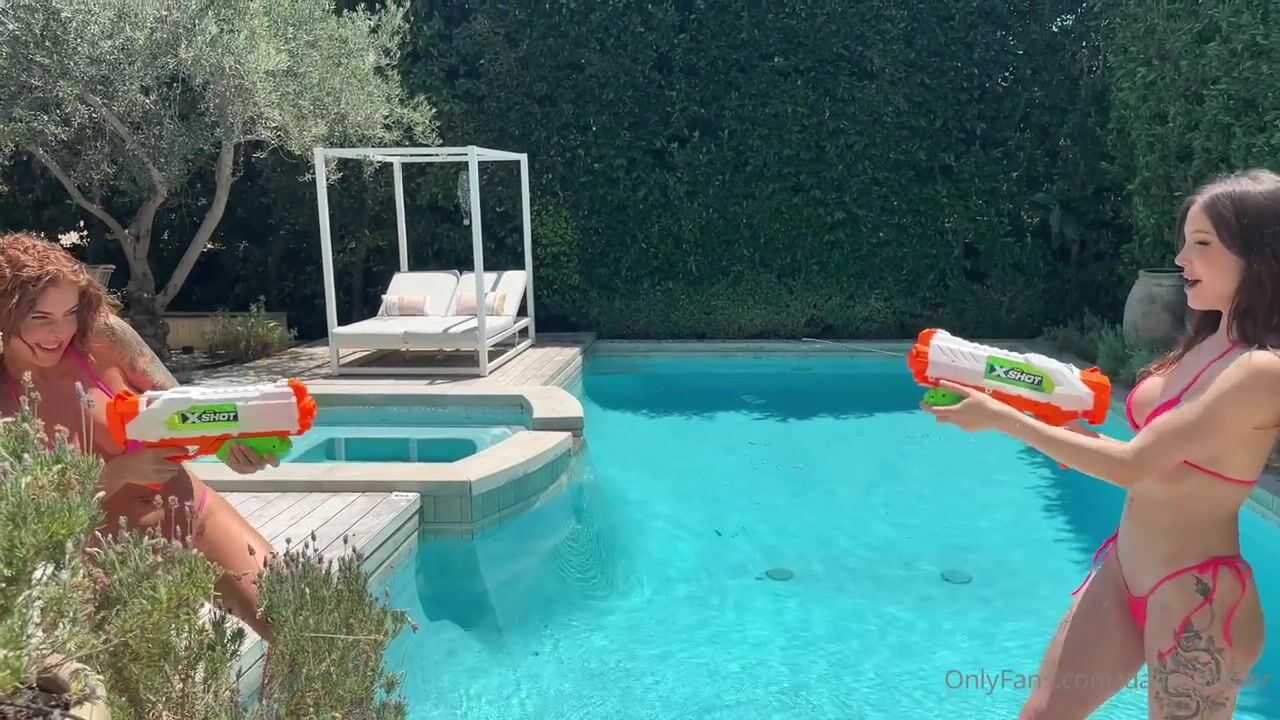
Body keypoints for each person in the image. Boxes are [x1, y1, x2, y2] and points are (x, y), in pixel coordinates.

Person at [924, 169, 1280, 719]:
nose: (1182, 259)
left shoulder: (1261, 370)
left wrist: (1002, 419)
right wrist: (1070, 436)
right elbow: (1155, 460)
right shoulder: (1206, 342)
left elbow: (1134, 465)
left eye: (1202, 244)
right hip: (1124, 570)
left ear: (1257, 256)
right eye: (1184, 242)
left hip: (1196, 595)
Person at [0, 230, 279, 641]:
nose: (59, 331)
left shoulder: (101, 336)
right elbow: (31, 512)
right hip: (107, 565)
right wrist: (122, 470)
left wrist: (228, 442)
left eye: (69, 312)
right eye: (40, 317)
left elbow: (181, 408)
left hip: (195, 517)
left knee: (299, 629)